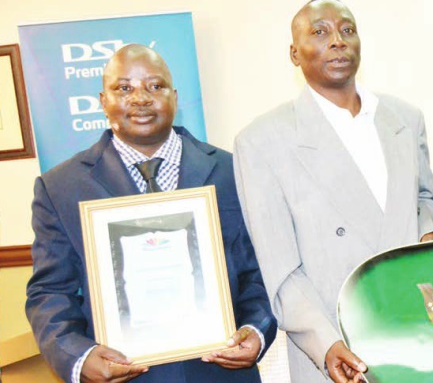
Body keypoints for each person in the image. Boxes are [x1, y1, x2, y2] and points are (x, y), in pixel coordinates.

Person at [25, 44, 277, 383]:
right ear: (103, 101)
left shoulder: (232, 170)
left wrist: (256, 330)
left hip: (220, 373)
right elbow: (50, 291)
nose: (140, 98)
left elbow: (262, 271)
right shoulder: (60, 187)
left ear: (175, 96)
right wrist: (79, 357)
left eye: (155, 86)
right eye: (123, 88)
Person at [233, 0, 433, 383]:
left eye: (347, 30)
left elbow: (426, 198)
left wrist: (429, 235)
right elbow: (279, 265)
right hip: (339, 347)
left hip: (423, 332)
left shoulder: (404, 119)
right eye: (320, 32)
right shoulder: (262, 141)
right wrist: (326, 342)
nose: (337, 40)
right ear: (295, 54)